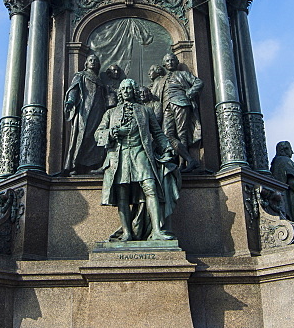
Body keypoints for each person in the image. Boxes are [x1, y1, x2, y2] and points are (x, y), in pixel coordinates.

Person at [95, 79, 181, 242]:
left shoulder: (145, 110)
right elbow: (97, 134)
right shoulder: (110, 113)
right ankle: (127, 233)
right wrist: (112, 133)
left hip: (140, 153)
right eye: (124, 88)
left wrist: (167, 147)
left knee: (150, 188)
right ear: (120, 92)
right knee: (123, 195)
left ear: (134, 91)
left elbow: (158, 133)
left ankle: (156, 230)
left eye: (129, 88)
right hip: (119, 156)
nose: (127, 91)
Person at [61, 54, 109, 175]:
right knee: (83, 135)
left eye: (95, 61)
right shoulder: (80, 75)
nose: (93, 62)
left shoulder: (100, 81)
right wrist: (71, 101)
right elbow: (74, 89)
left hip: (98, 111)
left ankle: (94, 165)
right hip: (84, 110)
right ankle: (75, 165)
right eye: (90, 60)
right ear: (86, 63)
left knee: (96, 137)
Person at [159, 53, 203, 172]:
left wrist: (189, 93)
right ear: (164, 64)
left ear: (177, 62)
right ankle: (189, 159)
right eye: (167, 61)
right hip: (166, 107)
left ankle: (183, 164)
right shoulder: (162, 80)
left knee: (181, 133)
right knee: (167, 134)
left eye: (172, 60)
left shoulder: (183, 74)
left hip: (181, 103)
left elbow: (198, 82)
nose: (170, 63)